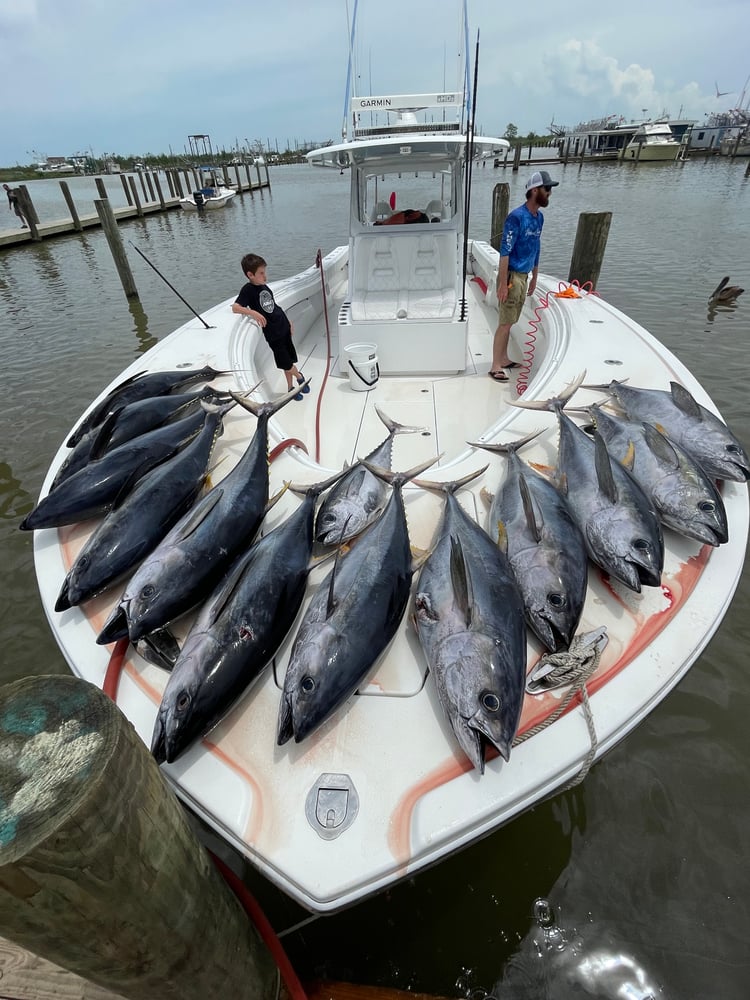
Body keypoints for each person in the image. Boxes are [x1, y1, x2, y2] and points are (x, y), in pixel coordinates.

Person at [489, 169, 559, 382]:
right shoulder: (516, 217)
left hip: (524, 275)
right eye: (547, 189)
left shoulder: (539, 218)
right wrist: (502, 283)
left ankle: (504, 358)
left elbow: (536, 247)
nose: (549, 193)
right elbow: (505, 251)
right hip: (512, 276)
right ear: (535, 190)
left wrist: (535, 276)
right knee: (505, 321)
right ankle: (495, 365)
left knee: (511, 321)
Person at [231, 253, 308, 400]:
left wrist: (288, 321)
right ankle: (299, 377)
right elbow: (235, 307)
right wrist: (253, 312)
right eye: (261, 273)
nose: (265, 277)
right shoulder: (248, 290)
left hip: (283, 326)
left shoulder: (264, 286)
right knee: (285, 362)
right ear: (250, 274)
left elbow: (274, 307)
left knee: (288, 361)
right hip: (273, 335)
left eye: (264, 272)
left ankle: (291, 388)